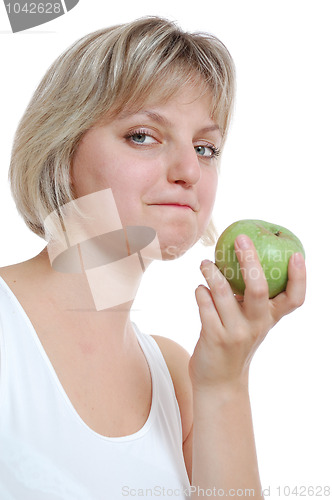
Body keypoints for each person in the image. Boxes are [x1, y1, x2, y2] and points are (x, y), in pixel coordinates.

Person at [0, 16, 306, 499]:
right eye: (143, 136)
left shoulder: (178, 377)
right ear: (62, 149)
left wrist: (225, 383)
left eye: (206, 147)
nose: (189, 170)